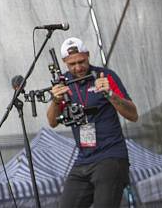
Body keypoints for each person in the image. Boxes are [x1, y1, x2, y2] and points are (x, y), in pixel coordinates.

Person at [47, 37, 139, 208]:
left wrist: (110, 94)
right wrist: (55, 100)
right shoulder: (64, 83)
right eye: (72, 64)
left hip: (110, 156)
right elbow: (52, 122)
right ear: (64, 62)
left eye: (81, 61)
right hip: (83, 159)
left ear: (88, 55)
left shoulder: (106, 76)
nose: (78, 67)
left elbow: (133, 115)